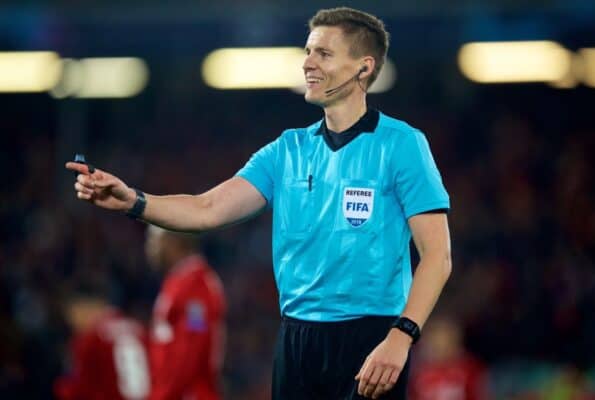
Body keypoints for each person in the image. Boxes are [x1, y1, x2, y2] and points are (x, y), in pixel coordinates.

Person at [66, 6, 452, 399]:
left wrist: (401, 336)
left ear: (363, 68)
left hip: (371, 335)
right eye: (307, 51)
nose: (308, 64)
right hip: (296, 340)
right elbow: (207, 209)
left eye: (324, 53)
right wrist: (133, 200)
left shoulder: (402, 145)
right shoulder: (286, 150)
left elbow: (437, 255)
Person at [144, 225, 226, 400]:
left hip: (188, 393)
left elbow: (194, 340)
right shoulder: (181, 280)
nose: (150, 248)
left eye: (154, 240)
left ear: (174, 242)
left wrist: (165, 394)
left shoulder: (195, 285)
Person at [54, 288, 150, 400]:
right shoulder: (139, 329)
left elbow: (80, 387)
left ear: (82, 309)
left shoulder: (89, 338)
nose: (73, 323)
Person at [410, 315, 488, 400]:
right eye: (434, 343)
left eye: (443, 342)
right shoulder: (419, 371)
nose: (438, 347)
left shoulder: (469, 369)